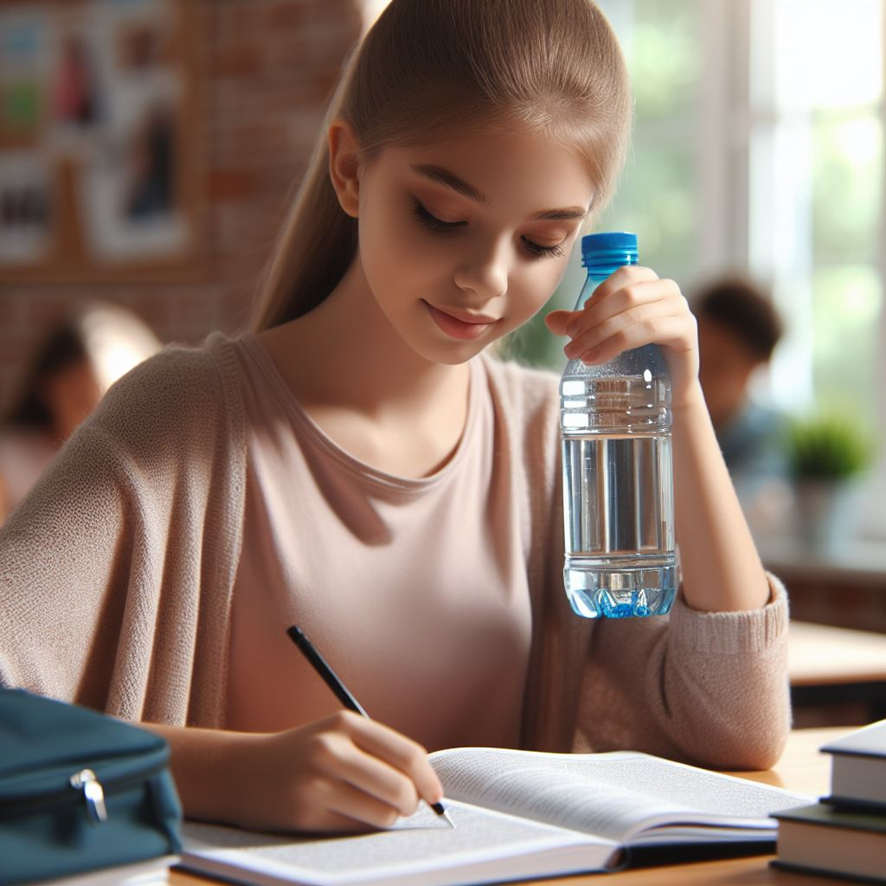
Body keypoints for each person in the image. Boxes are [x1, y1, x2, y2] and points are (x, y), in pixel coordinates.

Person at [0, 0, 790, 836]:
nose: (486, 279)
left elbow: (736, 734)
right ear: (349, 168)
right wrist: (224, 772)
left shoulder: (548, 442)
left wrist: (684, 403)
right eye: (443, 217)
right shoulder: (183, 422)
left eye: (540, 243)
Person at [0, 302, 161, 524]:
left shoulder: (152, 468)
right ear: (47, 389)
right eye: (81, 400)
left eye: (112, 405)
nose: (95, 417)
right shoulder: (10, 461)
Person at [694, 278, 789, 513]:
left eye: (716, 364)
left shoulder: (773, 439)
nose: (697, 377)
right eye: (693, 359)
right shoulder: (663, 427)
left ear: (755, 365)